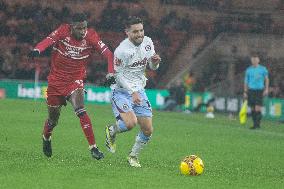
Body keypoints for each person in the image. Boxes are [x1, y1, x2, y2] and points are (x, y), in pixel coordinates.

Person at [28, 13, 115, 160]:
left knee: (80, 110)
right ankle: (46, 137)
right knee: (53, 120)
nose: (82, 31)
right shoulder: (63, 30)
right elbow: (49, 40)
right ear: (71, 27)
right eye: (79, 28)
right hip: (55, 82)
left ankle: (93, 147)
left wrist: (111, 73)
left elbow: (108, 54)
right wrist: (38, 49)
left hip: (75, 80)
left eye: (84, 28)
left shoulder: (91, 36)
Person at [105, 16, 161, 167]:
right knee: (130, 123)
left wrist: (154, 63)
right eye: (135, 31)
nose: (140, 34)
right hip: (122, 91)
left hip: (139, 90)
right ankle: (112, 130)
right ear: (127, 32)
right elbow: (118, 75)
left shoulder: (148, 42)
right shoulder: (122, 50)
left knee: (148, 129)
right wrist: (131, 92)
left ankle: (133, 156)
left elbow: (152, 67)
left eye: (141, 30)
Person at [244, 52, 269, 129]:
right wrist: (245, 91)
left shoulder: (263, 69)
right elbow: (246, 81)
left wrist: (266, 89)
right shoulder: (248, 70)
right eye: (253, 60)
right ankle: (255, 124)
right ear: (251, 61)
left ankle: (257, 124)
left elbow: (266, 79)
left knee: (258, 108)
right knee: (252, 108)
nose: (254, 61)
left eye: (255, 60)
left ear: (258, 60)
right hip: (251, 90)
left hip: (259, 90)